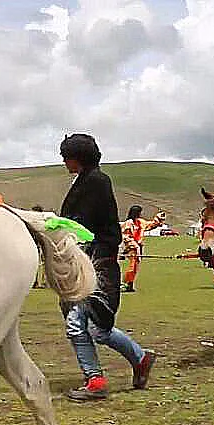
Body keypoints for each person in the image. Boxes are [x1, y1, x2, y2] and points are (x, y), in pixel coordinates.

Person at [58, 133, 156, 401]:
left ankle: (98, 380)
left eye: (67, 156)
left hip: (97, 262)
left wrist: (59, 227)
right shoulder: (84, 181)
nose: (64, 161)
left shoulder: (97, 182)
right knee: (90, 327)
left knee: (84, 325)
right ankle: (138, 358)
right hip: (87, 259)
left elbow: (84, 224)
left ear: (78, 158)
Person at [120, 205, 166, 292]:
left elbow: (151, 225)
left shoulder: (140, 222)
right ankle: (126, 283)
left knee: (135, 267)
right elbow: (126, 236)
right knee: (132, 265)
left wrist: (158, 217)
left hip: (138, 247)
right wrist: (133, 244)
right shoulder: (128, 223)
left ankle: (130, 284)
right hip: (131, 247)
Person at [31, 205, 48, 289]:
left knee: (42, 265)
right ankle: (36, 282)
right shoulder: (31, 222)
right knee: (36, 265)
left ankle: (41, 282)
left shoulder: (42, 222)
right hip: (35, 246)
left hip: (41, 246)